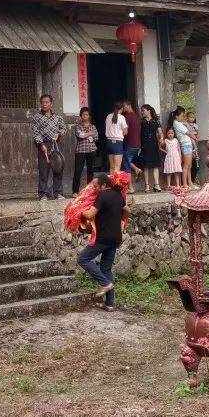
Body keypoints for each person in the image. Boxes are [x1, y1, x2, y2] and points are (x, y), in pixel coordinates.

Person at [78, 173, 129, 311]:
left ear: (104, 185)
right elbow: (127, 210)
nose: (94, 188)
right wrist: (122, 222)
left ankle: (105, 283)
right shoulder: (118, 195)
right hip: (116, 237)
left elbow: (89, 215)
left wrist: (79, 210)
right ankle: (109, 304)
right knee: (106, 268)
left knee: (83, 259)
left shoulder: (102, 196)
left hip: (103, 238)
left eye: (96, 186)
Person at [30, 94, 66, 200]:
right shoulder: (37, 117)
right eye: (43, 102)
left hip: (55, 145)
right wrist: (41, 145)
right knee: (43, 170)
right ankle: (43, 194)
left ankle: (58, 193)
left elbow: (63, 128)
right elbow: (36, 133)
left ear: (51, 104)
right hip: (43, 146)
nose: (44, 104)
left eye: (47, 102)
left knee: (58, 169)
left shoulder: (57, 117)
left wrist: (58, 134)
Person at [71, 107, 99, 195]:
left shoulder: (93, 126)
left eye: (86, 114)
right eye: (83, 115)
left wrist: (86, 135)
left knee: (90, 171)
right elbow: (80, 135)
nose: (85, 116)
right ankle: (75, 191)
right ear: (80, 116)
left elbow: (96, 137)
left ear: (89, 116)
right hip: (80, 151)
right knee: (78, 171)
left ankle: (89, 191)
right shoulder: (78, 126)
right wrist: (89, 134)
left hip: (91, 150)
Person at [139, 104, 164, 193]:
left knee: (155, 165)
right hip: (144, 145)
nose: (142, 112)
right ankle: (147, 185)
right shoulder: (141, 122)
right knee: (145, 166)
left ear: (149, 111)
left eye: (144, 110)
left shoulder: (155, 121)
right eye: (141, 111)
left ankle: (156, 185)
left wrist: (161, 138)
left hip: (154, 144)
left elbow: (160, 132)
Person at [171, 111, 196, 189]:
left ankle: (190, 183)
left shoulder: (180, 123)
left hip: (188, 145)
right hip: (185, 145)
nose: (183, 117)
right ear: (176, 116)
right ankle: (185, 184)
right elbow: (189, 133)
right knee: (186, 166)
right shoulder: (177, 124)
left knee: (189, 166)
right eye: (181, 116)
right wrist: (195, 138)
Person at [121, 100, 142, 183]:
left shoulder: (127, 117)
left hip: (130, 143)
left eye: (124, 106)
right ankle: (136, 169)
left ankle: (130, 187)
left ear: (129, 105)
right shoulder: (137, 116)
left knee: (125, 163)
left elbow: (125, 131)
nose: (123, 108)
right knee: (126, 160)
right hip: (137, 144)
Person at [104, 103, 127, 175]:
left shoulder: (108, 116)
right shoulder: (121, 117)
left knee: (111, 167)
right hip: (117, 143)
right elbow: (125, 132)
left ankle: (111, 185)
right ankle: (115, 186)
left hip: (109, 142)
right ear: (122, 109)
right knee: (117, 167)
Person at [186, 111, 201, 182]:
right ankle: (189, 180)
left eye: (193, 117)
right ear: (187, 117)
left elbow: (198, 133)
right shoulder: (185, 124)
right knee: (190, 164)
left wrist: (197, 137)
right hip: (188, 143)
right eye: (190, 117)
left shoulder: (195, 125)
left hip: (194, 141)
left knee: (196, 163)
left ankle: (193, 180)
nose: (192, 118)